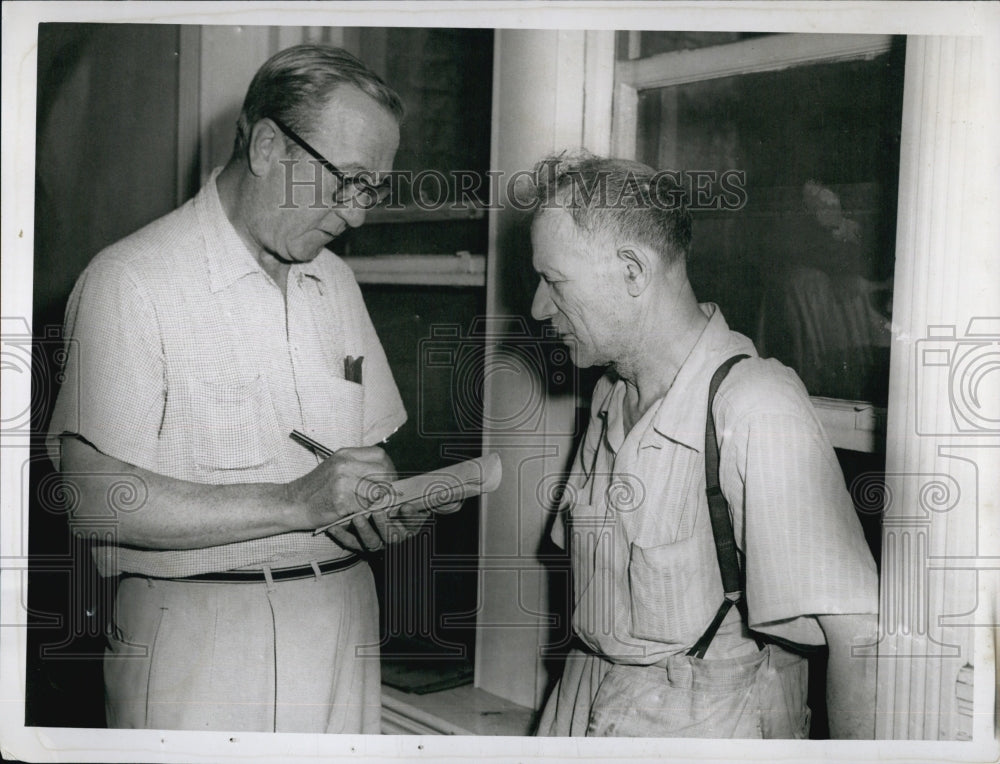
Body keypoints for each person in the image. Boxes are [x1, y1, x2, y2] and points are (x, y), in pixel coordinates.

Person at [46, 44, 419, 733]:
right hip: (201, 635)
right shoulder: (132, 280)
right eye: (346, 182)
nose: (357, 214)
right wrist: (294, 503)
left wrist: (380, 496)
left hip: (345, 622)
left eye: (371, 189)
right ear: (272, 145)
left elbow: (361, 454)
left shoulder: (334, 282)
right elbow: (91, 500)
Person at [528, 154, 879, 739]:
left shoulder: (755, 407)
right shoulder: (612, 394)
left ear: (634, 272)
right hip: (582, 699)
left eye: (554, 282)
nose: (539, 307)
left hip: (704, 722)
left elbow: (860, 641)